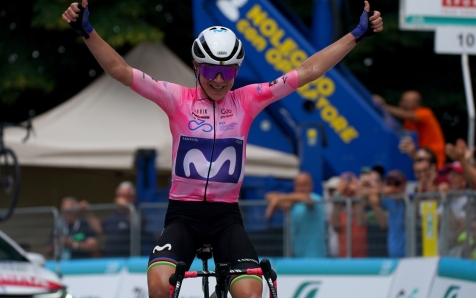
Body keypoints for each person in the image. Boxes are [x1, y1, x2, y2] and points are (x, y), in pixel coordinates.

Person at [61, 1, 383, 296]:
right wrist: (86, 31)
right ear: (196, 67)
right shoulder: (177, 98)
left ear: (236, 71)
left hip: (226, 218)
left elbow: (310, 71)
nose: (218, 79)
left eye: (227, 71)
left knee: (250, 293)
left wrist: (356, 35)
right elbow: (120, 70)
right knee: (160, 288)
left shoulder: (249, 99)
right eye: (211, 70)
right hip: (182, 217)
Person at [373, 90, 446, 168]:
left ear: (414, 104)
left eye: (405, 101)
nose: (401, 103)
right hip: (421, 156)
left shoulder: (425, 113)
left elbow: (407, 115)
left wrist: (384, 106)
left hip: (435, 158)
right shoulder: (409, 121)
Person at [265, 173, 327, 258]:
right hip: (297, 257)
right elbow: (268, 195)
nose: (301, 188)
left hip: (316, 257)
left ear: (312, 186)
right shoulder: (292, 203)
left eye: (305, 185)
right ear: (294, 186)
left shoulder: (317, 200)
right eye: (298, 185)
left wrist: (279, 199)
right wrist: (278, 201)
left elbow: (305, 198)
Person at [82, 181, 138, 257]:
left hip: (129, 259)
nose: (122, 199)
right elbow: (99, 229)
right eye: (120, 196)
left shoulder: (137, 213)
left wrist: (127, 207)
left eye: (125, 196)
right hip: (110, 258)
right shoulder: (112, 216)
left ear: (133, 198)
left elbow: (136, 223)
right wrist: (88, 211)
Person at [331, 171, 368, 258]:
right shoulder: (338, 207)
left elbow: (360, 223)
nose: (348, 189)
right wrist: (338, 195)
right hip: (344, 258)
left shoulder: (363, 203)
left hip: (361, 259)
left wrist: (357, 192)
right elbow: (335, 226)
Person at [380, 170, 409, 258]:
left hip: (411, 253)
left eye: (396, 183)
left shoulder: (409, 198)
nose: (392, 187)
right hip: (393, 252)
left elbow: (405, 196)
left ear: (404, 185)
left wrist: (388, 190)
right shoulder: (388, 201)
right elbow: (372, 196)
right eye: (389, 184)